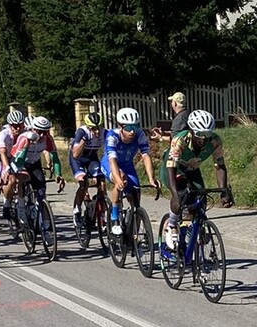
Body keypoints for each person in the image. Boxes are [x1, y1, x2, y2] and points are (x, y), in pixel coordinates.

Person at [160, 110, 233, 249]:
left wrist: (223, 191)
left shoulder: (215, 141)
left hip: (192, 169)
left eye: (207, 134)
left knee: (201, 197)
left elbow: (219, 166)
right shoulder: (180, 140)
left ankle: (193, 227)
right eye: (200, 134)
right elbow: (171, 168)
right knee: (182, 193)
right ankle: (172, 225)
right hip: (173, 169)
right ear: (191, 131)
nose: (204, 139)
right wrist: (175, 195)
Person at [101, 107, 160, 235]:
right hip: (110, 163)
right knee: (120, 180)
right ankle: (115, 218)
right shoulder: (112, 136)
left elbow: (146, 156)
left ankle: (134, 231)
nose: (132, 131)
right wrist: (118, 179)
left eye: (135, 127)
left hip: (127, 165)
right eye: (128, 128)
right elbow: (112, 161)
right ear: (120, 127)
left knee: (136, 193)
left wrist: (151, 178)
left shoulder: (140, 135)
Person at [9, 115, 65, 202]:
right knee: (23, 178)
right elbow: (18, 163)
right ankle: (20, 203)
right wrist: (26, 147)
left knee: (41, 185)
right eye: (39, 132)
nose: (42, 135)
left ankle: (40, 206)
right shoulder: (24, 138)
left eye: (45, 132)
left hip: (34, 163)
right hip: (18, 162)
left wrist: (58, 174)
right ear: (33, 130)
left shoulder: (48, 139)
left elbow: (55, 158)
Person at [69, 112, 106, 224]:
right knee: (83, 182)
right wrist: (83, 141)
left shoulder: (104, 133)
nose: (97, 131)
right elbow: (75, 155)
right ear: (89, 127)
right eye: (93, 128)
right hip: (78, 159)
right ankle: (77, 210)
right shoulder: (82, 132)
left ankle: (102, 214)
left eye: (98, 127)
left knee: (101, 181)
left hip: (91, 158)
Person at [0, 110, 27, 219]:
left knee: (24, 178)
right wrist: (7, 167)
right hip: (6, 158)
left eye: (20, 125)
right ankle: (6, 203)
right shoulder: (4, 134)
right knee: (11, 180)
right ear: (10, 125)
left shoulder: (26, 132)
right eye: (15, 126)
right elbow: (2, 152)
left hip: (19, 158)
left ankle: (22, 203)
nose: (18, 128)